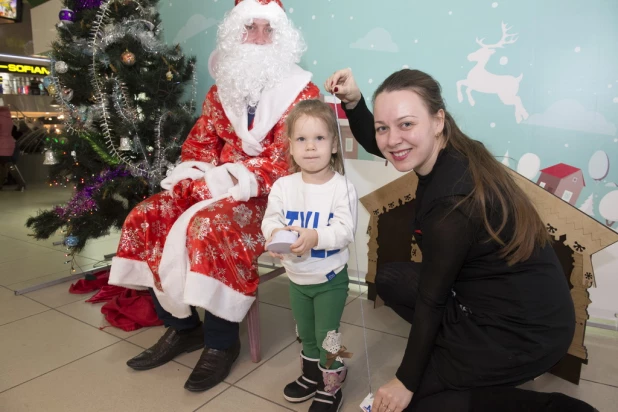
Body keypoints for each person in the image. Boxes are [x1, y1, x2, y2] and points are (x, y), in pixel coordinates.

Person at [324, 68, 596, 412]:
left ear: (437, 121)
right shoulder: (448, 150)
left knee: (418, 404)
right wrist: (355, 102)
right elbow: (392, 145)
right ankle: (456, 354)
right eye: (383, 127)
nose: (392, 139)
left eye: (406, 124)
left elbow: (432, 300)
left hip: (526, 334)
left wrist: (406, 380)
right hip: (495, 304)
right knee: (390, 278)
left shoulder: (452, 203)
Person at [109, 0, 319, 392]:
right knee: (148, 214)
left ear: (282, 38)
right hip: (216, 185)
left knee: (211, 225)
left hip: (270, 198)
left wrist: (222, 183)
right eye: (249, 29)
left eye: (267, 29)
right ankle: (183, 326)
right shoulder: (222, 89)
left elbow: (288, 162)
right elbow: (200, 144)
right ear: (235, 35)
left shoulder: (302, 91)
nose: (257, 38)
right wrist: (197, 178)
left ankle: (221, 343)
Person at [261, 100, 358, 412]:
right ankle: (311, 375)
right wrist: (274, 237)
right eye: (302, 139)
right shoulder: (283, 186)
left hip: (330, 280)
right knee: (305, 333)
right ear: (291, 146)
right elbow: (271, 220)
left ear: (333, 145)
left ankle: (332, 384)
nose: (310, 147)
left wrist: (315, 236)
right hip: (297, 279)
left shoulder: (341, 188)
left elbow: (344, 230)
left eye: (319, 138)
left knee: (327, 335)